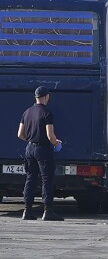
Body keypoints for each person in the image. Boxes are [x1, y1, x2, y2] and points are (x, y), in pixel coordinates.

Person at [17, 86, 64, 221]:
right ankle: (48, 211)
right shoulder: (47, 113)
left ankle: (27, 211)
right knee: (46, 179)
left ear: (35, 97)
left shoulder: (27, 112)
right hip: (42, 149)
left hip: (29, 148)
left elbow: (20, 134)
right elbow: (50, 136)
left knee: (30, 178)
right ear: (46, 97)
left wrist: (32, 139)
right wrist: (56, 143)